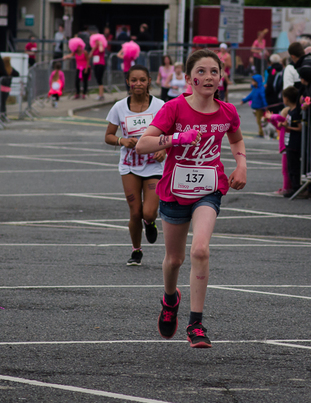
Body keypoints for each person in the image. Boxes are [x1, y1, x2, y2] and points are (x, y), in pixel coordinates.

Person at [135, 49, 247, 348]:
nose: (207, 76)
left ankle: (195, 324)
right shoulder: (174, 109)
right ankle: (170, 301)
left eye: (213, 71)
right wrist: (175, 138)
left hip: (209, 189)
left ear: (221, 78)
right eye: (200, 71)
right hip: (174, 190)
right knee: (174, 259)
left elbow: (235, 138)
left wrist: (241, 165)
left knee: (200, 250)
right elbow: (143, 144)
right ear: (188, 79)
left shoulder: (227, 112)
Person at [105, 65, 166, 266]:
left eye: (142, 80)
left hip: (153, 166)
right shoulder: (119, 107)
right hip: (129, 165)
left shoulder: (160, 106)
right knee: (135, 212)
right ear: (128, 83)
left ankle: (150, 223)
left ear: (149, 81)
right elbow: (108, 136)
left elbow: (171, 135)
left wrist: (164, 149)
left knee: (148, 212)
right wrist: (122, 141)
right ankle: (136, 250)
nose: (137, 84)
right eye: (134, 80)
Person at [281, 85, 302, 196]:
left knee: (294, 167)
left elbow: (300, 127)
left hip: (294, 142)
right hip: (288, 141)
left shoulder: (295, 112)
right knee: (290, 166)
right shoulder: (289, 111)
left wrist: (288, 127)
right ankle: (293, 187)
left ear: (287, 99)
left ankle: (296, 187)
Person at [90, 33, 109, 101]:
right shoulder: (95, 48)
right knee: (97, 78)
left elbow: (101, 50)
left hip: (101, 64)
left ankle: (101, 95)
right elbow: (90, 55)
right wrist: (93, 48)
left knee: (99, 79)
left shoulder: (101, 47)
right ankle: (100, 94)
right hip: (95, 64)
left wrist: (100, 44)